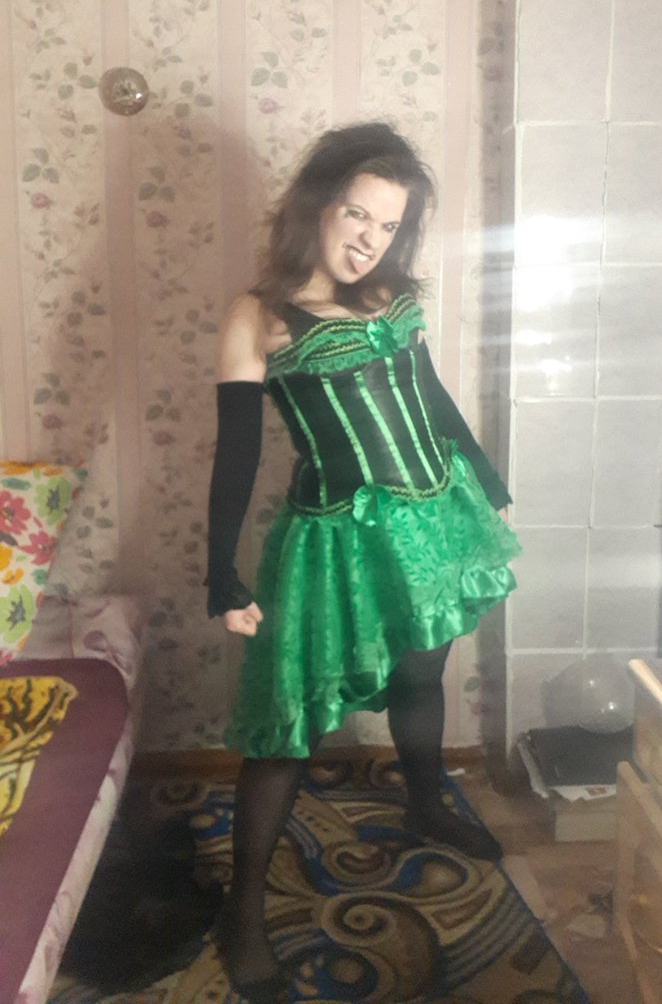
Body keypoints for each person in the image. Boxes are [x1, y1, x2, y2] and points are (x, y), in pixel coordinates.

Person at [206, 122, 521, 1002]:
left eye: (387, 225)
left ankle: (424, 800)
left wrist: (487, 478)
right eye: (356, 215)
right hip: (335, 543)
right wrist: (219, 571)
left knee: (423, 672)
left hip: (436, 517)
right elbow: (236, 455)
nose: (368, 240)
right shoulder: (258, 316)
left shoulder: (389, 294)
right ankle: (242, 913)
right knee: (288, 725)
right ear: (317, 204)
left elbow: (430, 397)